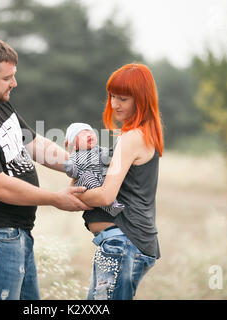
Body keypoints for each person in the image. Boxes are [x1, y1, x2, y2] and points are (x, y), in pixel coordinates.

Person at [0, 36, 91, 300]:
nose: (14, 83)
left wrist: (77, 166)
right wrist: (57, 199)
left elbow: (32, 143)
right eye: (7, 77)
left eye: (14, 75)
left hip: (14, 233)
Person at [76, 63, 164, 300]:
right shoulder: (144, 134)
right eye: (112, 96)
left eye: (123, 98)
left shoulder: (132, 138)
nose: (115, 104)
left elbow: (106, 196)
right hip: (128, 242)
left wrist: (73, 196)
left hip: (123, 242)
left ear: (141, 100)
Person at [63, 122, 125, 216]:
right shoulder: (76, 155)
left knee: (107, 171)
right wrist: (71, 168)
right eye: (83, 134)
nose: (89, 134)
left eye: (91, 132)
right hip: (85, 181)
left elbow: (108, 154)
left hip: (101, 176)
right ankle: (112, 207)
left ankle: (109, 195)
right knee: (87, 177)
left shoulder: (99, 149)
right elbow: (71, 169)